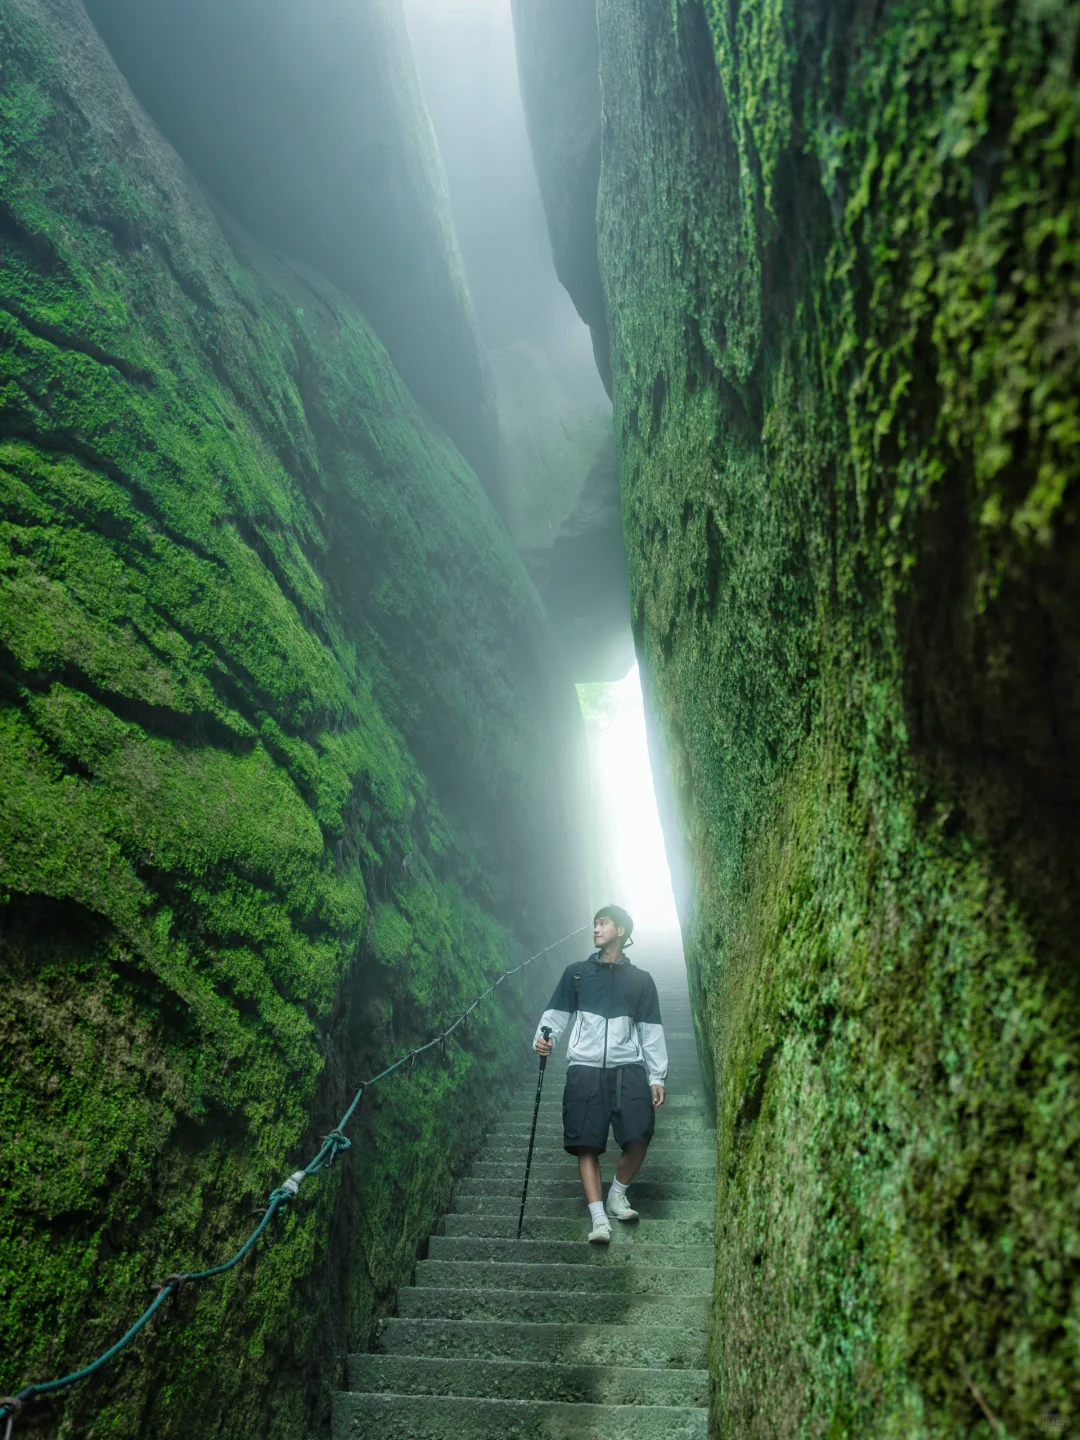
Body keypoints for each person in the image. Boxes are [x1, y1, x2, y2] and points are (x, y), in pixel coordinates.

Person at [533, 905, 668, 1244]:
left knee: (640, 1133)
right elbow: (556, 1014)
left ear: (621, 931)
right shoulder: (577, 973)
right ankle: (598, 1218)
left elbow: (650, 1030)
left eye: (603, 923)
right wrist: (543, 1038)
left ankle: (617, 1195)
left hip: (629, 1067)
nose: (595, 928)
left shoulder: (641, 981)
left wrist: (657, 1076)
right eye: (594, 923)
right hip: (585, 1067)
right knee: (586, 1142)